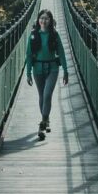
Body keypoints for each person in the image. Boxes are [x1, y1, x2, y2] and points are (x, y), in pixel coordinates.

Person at [26, 9, 68, 139]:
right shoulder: (33, 35)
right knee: (41, 96)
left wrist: (66, 71)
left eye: (46, 19)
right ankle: (46, 120)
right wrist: (28, 72)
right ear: (38, 20)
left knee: (47, 94)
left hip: (52, 68)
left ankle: (42, 125)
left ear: (50, 21)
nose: (43, 21)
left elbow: (61, 53)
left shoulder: (55, 35)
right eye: (41, 18)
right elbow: (28, 55)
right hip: (37, 68)